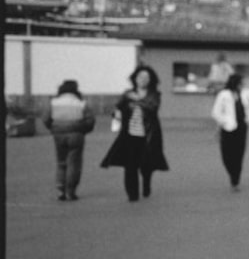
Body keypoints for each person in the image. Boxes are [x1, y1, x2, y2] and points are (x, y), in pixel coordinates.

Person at [101, 65, 170, 202]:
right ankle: (132, 195)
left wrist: (136, 100)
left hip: (148, 135)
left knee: (147, 165)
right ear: (135, 78)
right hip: (129, 135)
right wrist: (117, 113)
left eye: (146, 77)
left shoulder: (154, 94)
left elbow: (152, 107)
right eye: (140, 77)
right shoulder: (127, 94)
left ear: (151, 80)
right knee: (130, 165)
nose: (143, 80)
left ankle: (146, 184)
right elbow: (117, 109)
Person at [40, 78, 96, 201]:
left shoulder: (53, 102)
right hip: (76, 134)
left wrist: (53, 128)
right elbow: (90, 121)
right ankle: (71, 191)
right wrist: (83, 130)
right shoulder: (81, 103)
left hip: (58, 134)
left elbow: (45, 119)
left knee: (61, 162)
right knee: (74, 163)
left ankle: (60, 188)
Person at [211, 72, 249, 191]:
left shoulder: (243, 94)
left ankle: (235, 180)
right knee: (226, 156)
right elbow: (215, 112)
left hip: (241, 129)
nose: (241, 86)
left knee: (239, 155)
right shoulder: (224, 95)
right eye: (240, 83)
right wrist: (224, 121)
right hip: (228, 129)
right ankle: (231, 172)